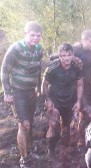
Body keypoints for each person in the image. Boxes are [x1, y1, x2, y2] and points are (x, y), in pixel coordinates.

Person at [1, 21, 43, 168]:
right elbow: (5, 69)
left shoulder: (39, 49)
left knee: (30, 123)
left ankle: (29, 150)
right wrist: (6, 92)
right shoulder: (16, 48)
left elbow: (38, 69)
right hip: (17, 92)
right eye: (32, 35)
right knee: (24, 125)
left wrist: (38, 87)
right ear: (25, 34)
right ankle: (23, 159)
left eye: (38, 36)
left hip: (31, 92)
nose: (35, 38)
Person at [42, 43, 83, 156]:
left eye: (69, 55)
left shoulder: (77, 67)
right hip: (55, 100)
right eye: (63, 55)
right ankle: (50, 152)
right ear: (59, 56)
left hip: (70, 100)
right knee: (53, 123)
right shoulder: (52, 68)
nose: (66, 58)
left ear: (72, 55)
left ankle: (64, 150)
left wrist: (79, 101)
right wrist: (47, 99)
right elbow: (44, 84)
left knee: (67, 126)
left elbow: (80, 85)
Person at [73, 30, 91, 147]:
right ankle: (80, 140)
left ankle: (88, 136)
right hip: (77, 86)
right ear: (83, 41)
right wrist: (73, 56)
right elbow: (59, 54)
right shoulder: (76, 49)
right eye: (89, 41)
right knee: (86, 112)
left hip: (90, 85)